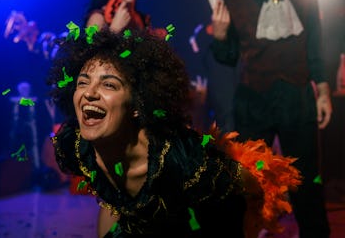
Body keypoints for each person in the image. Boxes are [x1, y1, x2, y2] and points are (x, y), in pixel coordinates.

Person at [47, 28, 301, 238]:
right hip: (146, 219)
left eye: (109, 84)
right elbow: (113, 201)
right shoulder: (75, 146)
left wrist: (261, 211)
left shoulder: (178, 158)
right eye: (83, 82)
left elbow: (248, 182)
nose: (90, 93)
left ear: (137, 106)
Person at [210, 0, 332, 238]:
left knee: (306, 179)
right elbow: (227, 58)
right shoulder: (235, 1)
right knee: (251, 181)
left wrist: (323, 91)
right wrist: (221, 36)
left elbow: (316, 47)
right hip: (254, 101)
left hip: (297, 99)